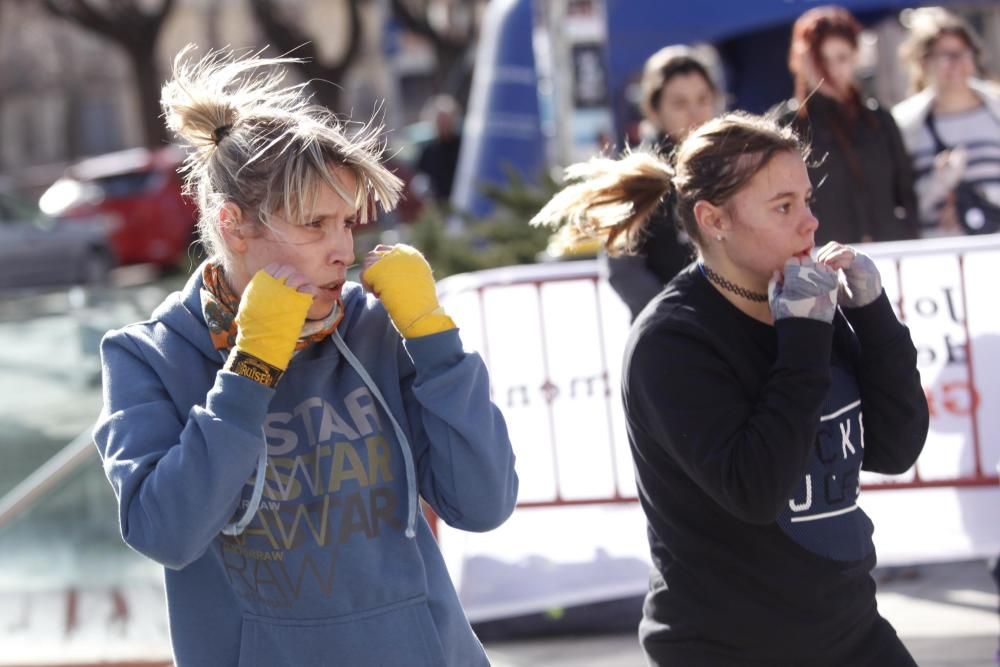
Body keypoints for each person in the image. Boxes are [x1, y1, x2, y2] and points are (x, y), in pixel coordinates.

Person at [92, 47, 518, 667]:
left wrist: (435, 340)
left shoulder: (375, 325)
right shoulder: (146, 356)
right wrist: (250, 370)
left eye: (348, 223)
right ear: (234, 225)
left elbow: (483, 503)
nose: (343, 250)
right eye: (315, 225)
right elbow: (166, 532)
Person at [531, 112, 928, 665]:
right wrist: (804, 338)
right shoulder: (671, 342)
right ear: (714, 219)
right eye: (783, 206)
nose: (810, 223)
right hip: (728, 650)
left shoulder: (799, 298)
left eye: (807, 200)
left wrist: (875, 314)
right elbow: (756, 490)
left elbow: (896, 447)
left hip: (852, 633)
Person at [780, 5, 919, 244]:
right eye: (821, 59)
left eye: (841, 58)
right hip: (818, 261)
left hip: (888, 255)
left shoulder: (879, 120)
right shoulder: (787, 126)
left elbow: (906, 193)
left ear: (855, 57)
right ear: (802, 60)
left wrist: (905, 234)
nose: (832, 69)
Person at [603, 45, 721, 321]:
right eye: (679, 103)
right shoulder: (637, 177)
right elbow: (623, 267)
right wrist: (671, 315)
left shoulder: (733, 167)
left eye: (703, 99)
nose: (695, 113)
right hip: (668, 332)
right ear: (653, 110)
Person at [892, 8, 1000, 236]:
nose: (958, 63)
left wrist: (979, 206)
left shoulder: (996, 110)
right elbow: (901, 204)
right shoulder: (904, 124)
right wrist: (937, 185)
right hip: (938, 255)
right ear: (923, 62)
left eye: (964, 53)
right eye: (948, 56)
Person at [415, 94, 463, 205]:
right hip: (439, 205)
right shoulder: (428, 151)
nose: (443, 124)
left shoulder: (463, 147)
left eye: (446, 120)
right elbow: (421, 179)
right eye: (440, 120)